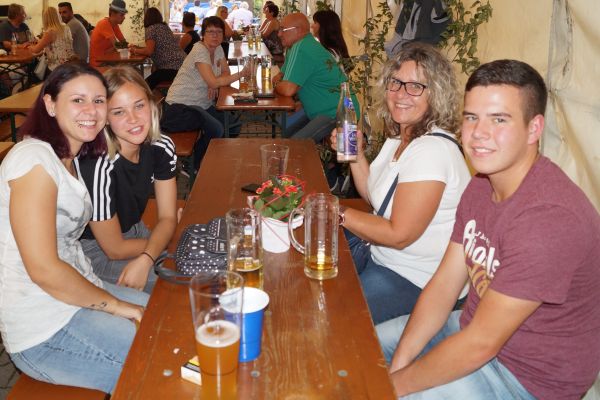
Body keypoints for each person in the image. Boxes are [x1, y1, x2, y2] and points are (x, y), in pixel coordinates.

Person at [377, 59, 600, 399]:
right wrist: (398, 365)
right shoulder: (482, 184)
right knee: (361, 348)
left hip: (527, 379)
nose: (479, 133)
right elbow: (444, 286)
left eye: (499, 119)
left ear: (534, 128)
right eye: (471, 117)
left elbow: (480, 345)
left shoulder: (550, 220)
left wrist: (390, 388)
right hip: (469, 330)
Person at [0, 63, 148, 393]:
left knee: (160, 317)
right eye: (77, 100)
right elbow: (43, 269)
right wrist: (118, 306)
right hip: (43, 328)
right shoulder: (34, 160)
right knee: (153, 357)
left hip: (77, 295)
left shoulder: (70, 160)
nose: (91, 111)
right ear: (50, 104)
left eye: (98, 101)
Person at [329, 42, 470, 325]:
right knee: (318, 283)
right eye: (395, 83)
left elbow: (399, 235)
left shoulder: (432, 151)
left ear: (436, 94)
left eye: (415, 86)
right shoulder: (400, 137)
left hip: (417, 280)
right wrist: (356, 156)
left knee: (336, 318)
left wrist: (334, 210)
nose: (401, 94)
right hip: (382, 258)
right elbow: (376, 199)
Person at [78, 66, 178, 294]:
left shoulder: (161, 147)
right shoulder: (98, 165)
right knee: (174, 282)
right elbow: (114, 249)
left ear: (151, 105)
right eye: (119, 112)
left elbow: (167, 217)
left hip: (135, 232)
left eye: (139, 106)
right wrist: (161, 245)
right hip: (96, 252)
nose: (133, 119)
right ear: (104, 119)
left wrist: (150, 253)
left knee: (193, 262)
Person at [162, 16, 248, 170]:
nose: (215, 35)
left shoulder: (218, 48)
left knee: (233, 125)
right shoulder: (199, 50)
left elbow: (225, 73)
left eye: (219, 32)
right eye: (210, 32)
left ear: (223, 34)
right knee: (216, 128)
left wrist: (214, 81)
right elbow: (216, 81)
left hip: (201, 104)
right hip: (179, 107)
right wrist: (241, 74)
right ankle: (192, 165)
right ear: (203, 34)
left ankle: (211, 156)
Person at [273, 12, 359, 142]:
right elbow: (282, 76)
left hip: (338, 112)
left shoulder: (302, 47)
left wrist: (276, 85)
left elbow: (288, 89)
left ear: (298, 30)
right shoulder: (298, 47)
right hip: (320, 109)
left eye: (282, 29)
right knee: (285, 128)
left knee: (296, 145)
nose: (279, 34)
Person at [129, 7, 185, 90]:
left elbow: (149, 51)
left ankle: (143, 97)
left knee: (145, 85)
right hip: (183, 65)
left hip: (171, 68)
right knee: (153, 78)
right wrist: (137, 48)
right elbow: (156, 47)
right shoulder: (165, 27)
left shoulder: (151, 29)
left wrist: (134, 50)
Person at [27, 7, 76, 76]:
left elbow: (36, 50)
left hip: (56, 68)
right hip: (69, 64)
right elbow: (58, 42)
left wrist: (29, 46)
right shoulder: (66, 27)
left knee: (37, 72)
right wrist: (39, 41)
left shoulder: (50, 32)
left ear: (45, 19)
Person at [90, 0, 128, 67]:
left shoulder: (114, 24)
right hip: (99, 64)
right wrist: (116, 47)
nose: (124, 17)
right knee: (127, 69)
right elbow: (117, 46)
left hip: (107, 61)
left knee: (127, 67)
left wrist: (125, 46)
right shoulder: (104, 23)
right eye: (122, 15)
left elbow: (123, 42)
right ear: (113, 13)